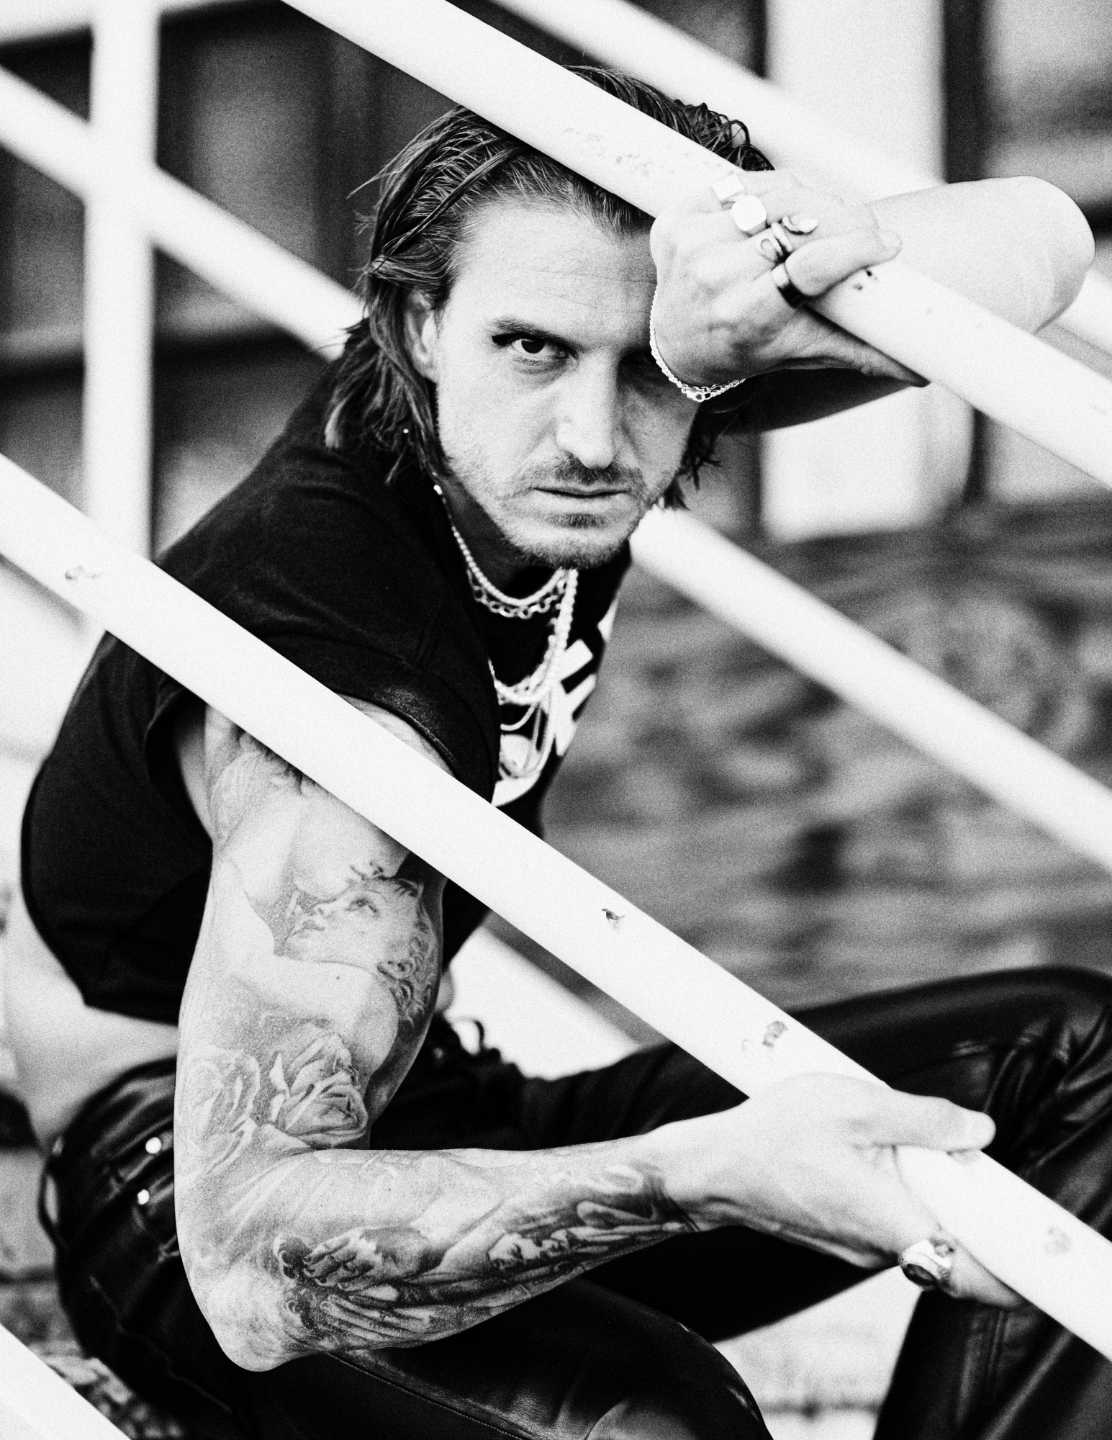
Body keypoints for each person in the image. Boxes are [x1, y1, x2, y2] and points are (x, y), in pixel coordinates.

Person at [4, 68, 1111, 1440]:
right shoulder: (335, 687)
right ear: (419, 324)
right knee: (659, 1427)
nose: (593, 439)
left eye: (646, 365)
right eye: (533, 348)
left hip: (440, 1094)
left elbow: (1044, 240)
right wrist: (706, 1170)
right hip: (176, 1187)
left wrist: (784, 273)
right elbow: (250, 1267)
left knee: (1075, 1057)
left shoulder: (553, 378)